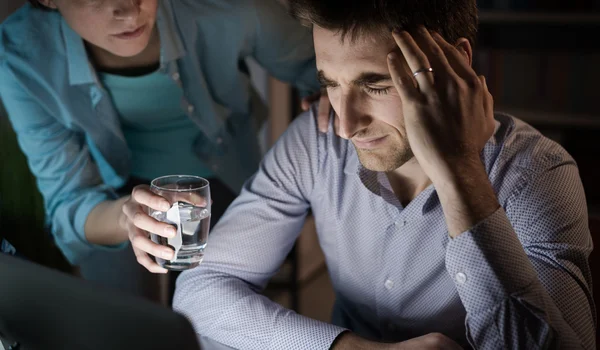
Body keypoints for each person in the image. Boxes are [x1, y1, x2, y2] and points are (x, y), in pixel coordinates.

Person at [168, 0, 597, 348]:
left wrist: (460, 172)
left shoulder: (539, 173)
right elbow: (200, 289)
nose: (346, 124)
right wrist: (350, 349)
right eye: (331, 84)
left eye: (375, 86)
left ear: (456, 65)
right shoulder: (316, 142)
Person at [0, 0, 329, 298]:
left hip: (225, 176)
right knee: (125, 322)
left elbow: (323, 69)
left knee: (221, 308)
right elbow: (68, 203)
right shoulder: (21, 55)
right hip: (109, 200)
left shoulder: (233, 8)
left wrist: (334, 92)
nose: (129, 10)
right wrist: (126, 218)